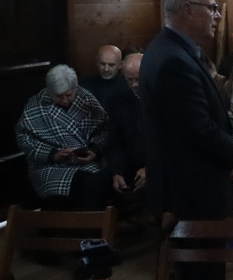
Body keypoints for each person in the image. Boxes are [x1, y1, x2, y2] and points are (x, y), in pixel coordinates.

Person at [140, 0, 233, 280]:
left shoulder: (171, 50)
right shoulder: (172, 60)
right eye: (211, 8)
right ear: (188, 10)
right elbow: (196, 130)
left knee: (202, 279)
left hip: (191, 184)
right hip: (192, 190)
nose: (216, 15)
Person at [16, 64, 109, 211]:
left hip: (87, 162)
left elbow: (105, 130)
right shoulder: (35, 104)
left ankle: (91, 231)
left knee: (93, 186)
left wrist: (94, 150)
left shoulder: (86, 99)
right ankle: (58, 232)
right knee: (57, 194)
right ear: (49, 91)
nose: (65, 100)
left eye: (68, 95)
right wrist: (52, 154)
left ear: (75, 88)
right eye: (58, 96)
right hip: (50, 166)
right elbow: (24, 139)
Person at [107, 52, 146, 197]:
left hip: (158, 165)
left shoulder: (162, 99)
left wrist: (151, 168)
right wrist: (117, 172)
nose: (134, 84)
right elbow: (114, 143)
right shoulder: (118, 100)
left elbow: (171, 143)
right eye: (130, 80)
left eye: (138, 79)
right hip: (128, 167)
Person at [81, 44, 129, 112]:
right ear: (97, 62)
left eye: (111, 65)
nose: (106, 69)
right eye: (103, 64)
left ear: (120, 65)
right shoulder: (85, 86)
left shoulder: (129, 87)